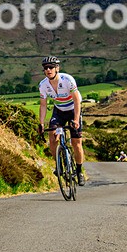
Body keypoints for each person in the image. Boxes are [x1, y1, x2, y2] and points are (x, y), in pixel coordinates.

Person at [38, 56, 86, 186]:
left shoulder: (67, 80)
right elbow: (43, 105)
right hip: (59, 111)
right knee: (52, 135)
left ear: (57, 68)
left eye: (51, 67)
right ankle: (58, 164)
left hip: (73, 110)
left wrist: (76, 119)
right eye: (46, 68)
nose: (48, 70)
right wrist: (41, 123)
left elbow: (77, 101)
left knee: (76, 143)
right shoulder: (43, 85)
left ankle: (79, 171)